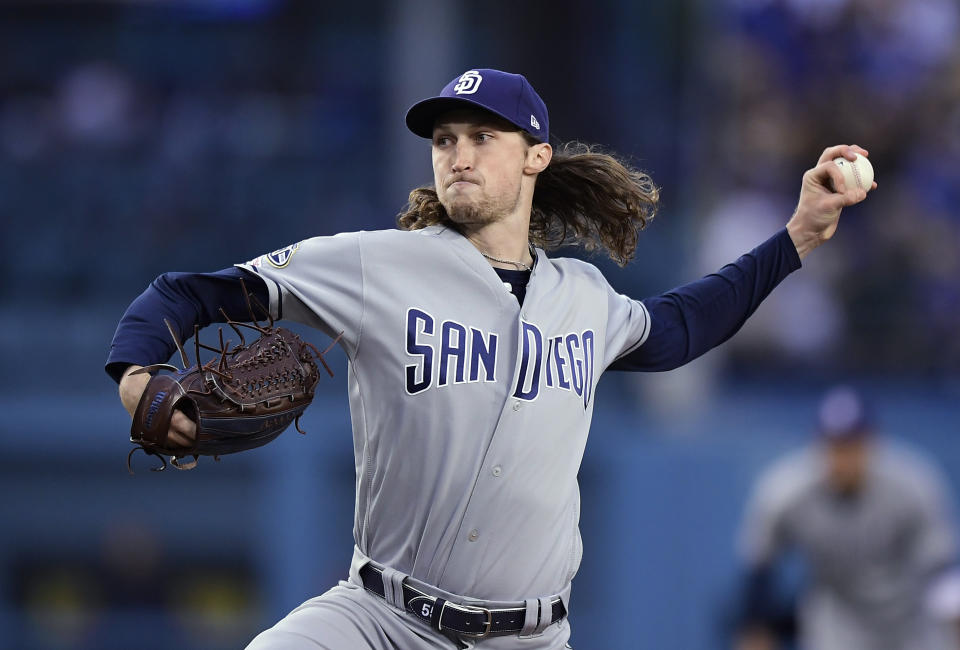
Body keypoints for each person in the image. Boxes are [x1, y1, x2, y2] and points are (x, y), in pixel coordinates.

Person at [107, 68, 874, 649]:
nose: (459, 156)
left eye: (483, 138)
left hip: (531, 638)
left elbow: (678, 329)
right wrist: (138, 374)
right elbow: (188, 293)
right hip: (380, 620)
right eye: (445, 140)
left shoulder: (585, 296)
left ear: (536, 156)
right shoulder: (378, 264)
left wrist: (800, 234)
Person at [734, 386, 959, 650]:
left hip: (911, 622)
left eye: (852, 444)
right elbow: (760, 566)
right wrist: (755, 625)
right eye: (834, 444)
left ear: (872, 442)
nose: (843, 457)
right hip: (838, 622)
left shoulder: (913, 485)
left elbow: (942, 570)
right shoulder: (788, 493)